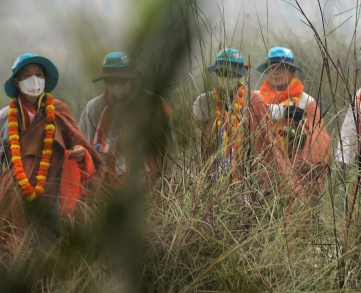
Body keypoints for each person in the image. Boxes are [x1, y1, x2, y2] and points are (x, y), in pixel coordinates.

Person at [0, 53, 99, 254]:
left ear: (45, 79)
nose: (34, 80)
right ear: (16, 82)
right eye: (27, 75)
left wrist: (80, 153)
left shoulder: (59, 111)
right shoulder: (4, 118)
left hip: (54, 189)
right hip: (15, 192)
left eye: (38, 74)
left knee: (53, 246)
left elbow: (79, 145)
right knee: (15, 249)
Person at [85, 51, 172, 188]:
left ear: (132, 78)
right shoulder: (95, 108)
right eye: (111, 81)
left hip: (152, 184)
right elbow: (86, 149)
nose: (117, 85)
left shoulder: (155, 105)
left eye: (122, 79)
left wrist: (171, 184)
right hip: (107, 188)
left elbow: (171, 149)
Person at [256, 46, 330, 208]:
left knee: (295, 215)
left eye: (282, 68)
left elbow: (320, 140)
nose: (276, 72)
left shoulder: (306, 101)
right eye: (272, 68)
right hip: (261, 169)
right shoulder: (256, 98)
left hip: (296, 169)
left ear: (291, 71)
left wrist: (299, 131)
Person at [191, 48, 274, 182]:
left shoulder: (255, 102)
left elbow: (266, 144)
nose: (227, 79)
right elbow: (195, 142)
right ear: (216, 74)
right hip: (212, 176)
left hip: (246, 177)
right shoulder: (204, 103)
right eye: (222, 73)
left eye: (232, 74)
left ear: (239, 76)